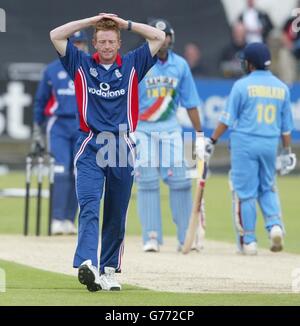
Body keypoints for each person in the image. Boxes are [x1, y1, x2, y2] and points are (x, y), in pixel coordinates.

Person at [50, 13, 165, 291]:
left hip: (121, 146)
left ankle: (109, 270)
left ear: (119, 43)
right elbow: (56, 34)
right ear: (94, 43)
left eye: (111, 42)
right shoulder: (80, 63)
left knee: (116, 211)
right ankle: (88, 263)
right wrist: (91, 20)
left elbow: (158, 37)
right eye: (101, 41)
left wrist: (124, 23)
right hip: (90, 143)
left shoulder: (133, 63)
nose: (106, 47)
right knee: (89, 205)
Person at [204, 43, 296, 255]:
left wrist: (213, 140)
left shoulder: (241, 86)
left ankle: (249, 241)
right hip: (269, 144)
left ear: (250, 64)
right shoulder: (281, 88)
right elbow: (285, 127)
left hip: (245, 144)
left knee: (245, 193)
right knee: (267, 187)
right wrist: (287, 151)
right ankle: (274, 226)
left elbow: (226, 119)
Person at [135, 19, 204, 253]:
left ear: (171, 38)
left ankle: (186, 236)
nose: (163, 40)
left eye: (166, 35)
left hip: (170, 127)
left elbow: (191, 102)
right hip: (142, 128)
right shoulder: (139, 62)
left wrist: (200, 135)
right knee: (146, 181)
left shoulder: (181, 65)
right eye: (158, 35)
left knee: (180, 181)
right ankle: (151, 236)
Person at [32, 31, 89, 235]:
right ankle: (57, 218)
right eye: (75, 43)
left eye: (82, 42)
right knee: (60, 170)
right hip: (58, 126)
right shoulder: (52, 70)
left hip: (82, 126)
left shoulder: (89, 67)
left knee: (78, 173)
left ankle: (68, 220)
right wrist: (38, 129)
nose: (79, 47)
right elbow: (40, 101)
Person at [278, 4, 300, 84]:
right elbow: (282, 35)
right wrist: (290, 45)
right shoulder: (290, 21)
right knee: (284, 53)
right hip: (291, 49)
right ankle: (288, 84)